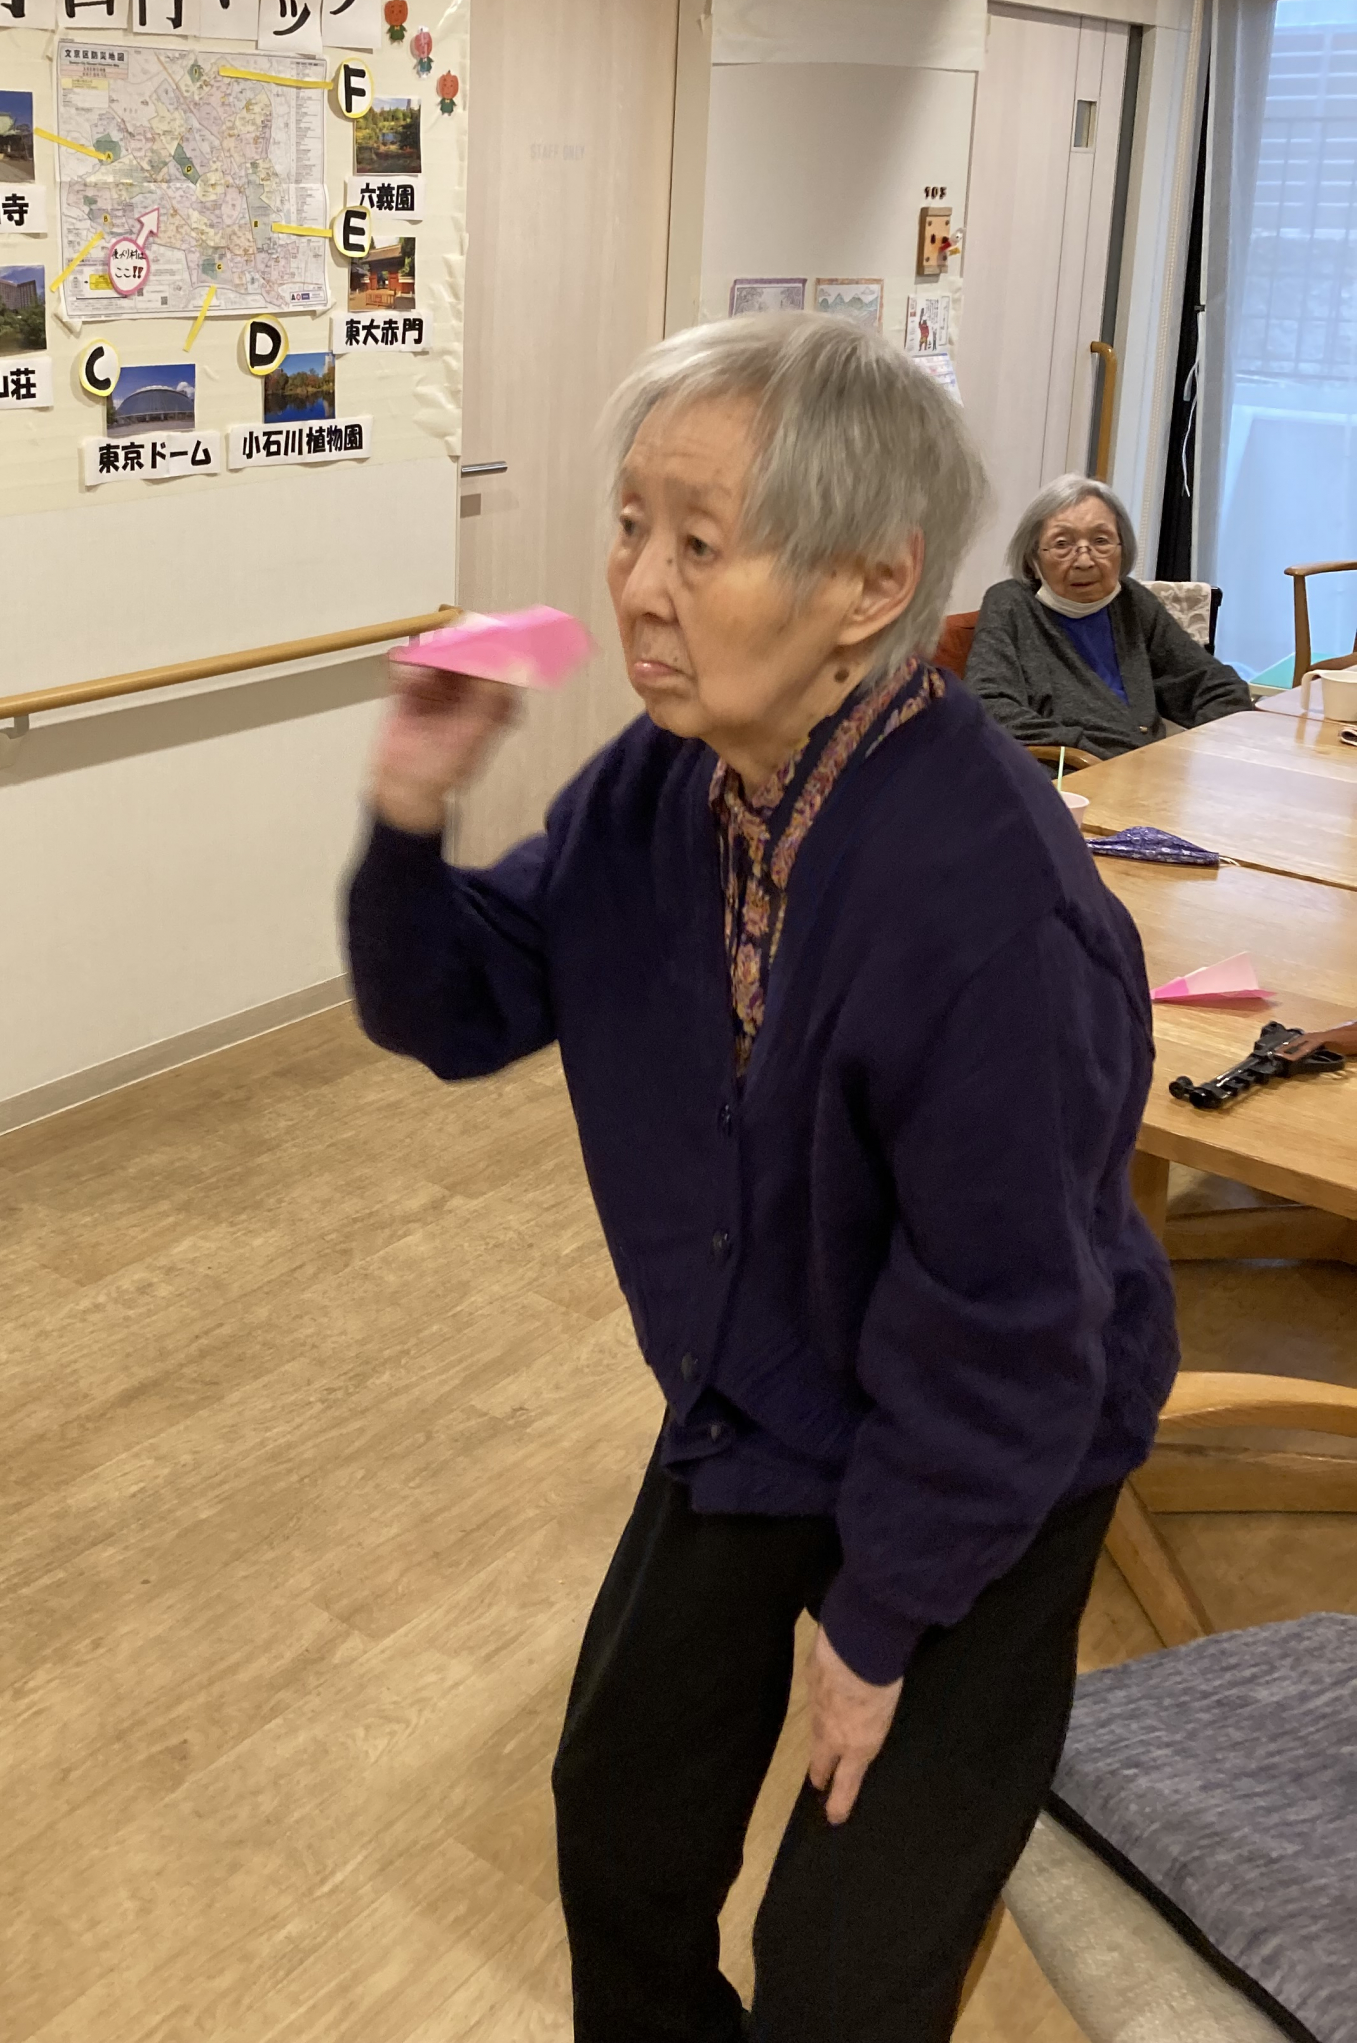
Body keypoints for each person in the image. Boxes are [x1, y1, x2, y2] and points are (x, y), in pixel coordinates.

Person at [345, 316, 1178, 2043]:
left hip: (991, 1452)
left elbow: (1011, 1328)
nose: (638, 586)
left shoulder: (991, 910)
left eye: (699, 543)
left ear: (872, 585)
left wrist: (877, 1627)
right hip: (764, 1392)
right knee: (622, 1821)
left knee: (843, 1964)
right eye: (629, 527)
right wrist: (410, 818)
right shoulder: (664, 790)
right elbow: (462, 1003)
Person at [968, 475, 1255, 760]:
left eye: (1101, 541)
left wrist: (1200, 749)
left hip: (1150, 767)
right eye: (1062, 544)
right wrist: (1084, 750)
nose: (1084, 561)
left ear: (1122, 549)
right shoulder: (1010, 604)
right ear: (1033, 558)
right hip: (1067, 772)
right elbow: (989, 707)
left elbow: (1213, 685)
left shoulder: (1131, 601)